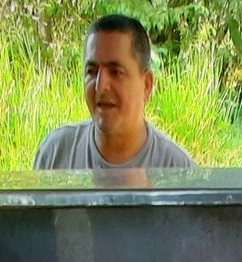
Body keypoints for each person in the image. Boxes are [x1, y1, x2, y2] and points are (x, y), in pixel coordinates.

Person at [33, 15, 196, 170]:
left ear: (147, 84)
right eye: (92, 71)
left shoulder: (179, 171)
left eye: (115, 72)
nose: (100, 86)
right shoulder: (55, 154)